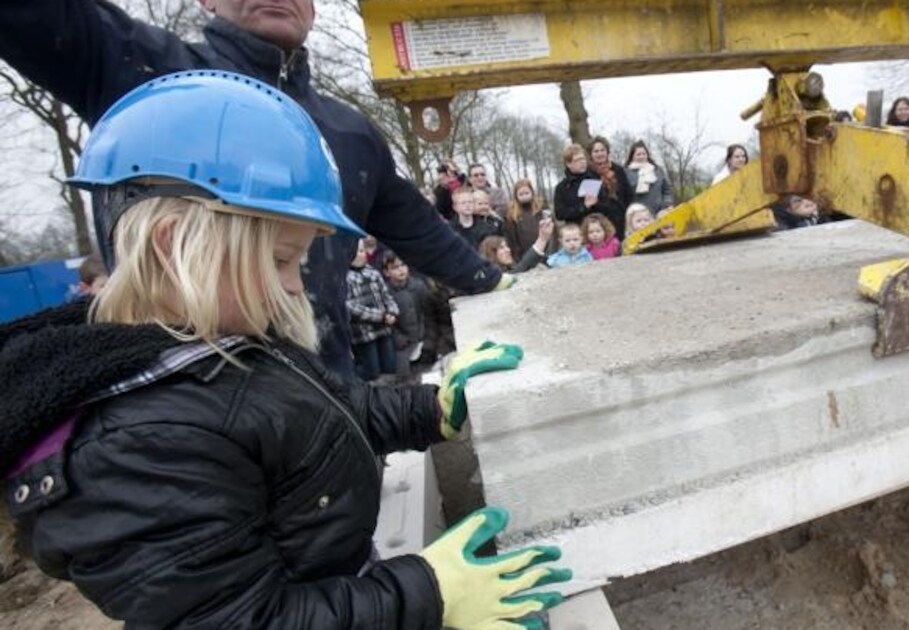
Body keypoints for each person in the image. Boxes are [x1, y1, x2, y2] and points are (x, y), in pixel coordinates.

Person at [0, 71, 567, 630]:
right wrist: (425, 594)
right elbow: (244, 619)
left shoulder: (224, 346)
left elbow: (333, 416)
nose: (295, 284)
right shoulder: (137, 446)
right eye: (278, 260)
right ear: (173, 247)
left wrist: (432, 407)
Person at [0, 0, 510, 380]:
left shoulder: (351, 132)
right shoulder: (149, 74)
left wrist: (498, 281)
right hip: (180, 414)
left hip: (324, 393)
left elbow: (422, 231)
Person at [346, 239, 399, 383]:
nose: (363, 254)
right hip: (363, 333)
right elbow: (351, 307)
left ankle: (391, 391)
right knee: (371, 371)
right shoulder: (345, 278)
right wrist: (380, 316)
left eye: (363, 251)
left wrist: (392, 312)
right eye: (359, 251)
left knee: (390, 366)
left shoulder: (374, 273)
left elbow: (386, 296)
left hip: (384, 329)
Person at [554, 143, 622, 233]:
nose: (582, 162)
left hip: (597, 231)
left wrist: (596, 203)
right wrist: (583, 207)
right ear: (568, 164)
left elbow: (608, 207)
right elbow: (560, 214)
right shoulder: (562, 187)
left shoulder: (596, 180)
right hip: (576, 232)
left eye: (583, 159)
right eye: (577, 160)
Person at [381, 254, 424, 384]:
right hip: (402, 344)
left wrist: (424, 332)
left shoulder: (418, 286)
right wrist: (398, 337)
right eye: (395, 267)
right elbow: (386, 321)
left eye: (403, 265)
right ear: (386, 272)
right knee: (404, 379)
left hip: (422, 337)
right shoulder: (384, 293)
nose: (401, 270)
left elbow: (427, 312)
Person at [587, 136, 633, 238]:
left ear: (607, 151)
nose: (600, 153)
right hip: (600, 222)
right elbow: (590, 201)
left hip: (621, 217)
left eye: (602, 150)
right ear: (591, 154)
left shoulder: (618, 170)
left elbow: (628, 192)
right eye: (596, 151)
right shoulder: (588, 174)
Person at [479, 217, 555, 273]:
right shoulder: (495, 279)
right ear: (491, 253)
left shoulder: (509, 269)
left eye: (506, 246)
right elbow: (522, 268)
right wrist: (542, 239)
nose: (508, 250)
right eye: (501, 248)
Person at [504, 178, 550, 261]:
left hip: (545, 249)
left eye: (527, 193)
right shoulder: (512, 213)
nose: (524, 196)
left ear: (532, 192)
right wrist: (517, 256)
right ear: (516, 196)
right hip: (524, 253)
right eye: (521, 194)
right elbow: (511, 238)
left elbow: (551, 227)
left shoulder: (541, 207)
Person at [625, 140, 675, 213]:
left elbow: (667, 190)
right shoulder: (626, 173)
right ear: (632, 156)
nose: (642, 156)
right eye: (638, 154)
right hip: (637, 214)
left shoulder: (658, 170)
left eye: (644, 154)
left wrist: (667, 205)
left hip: (660, 212)